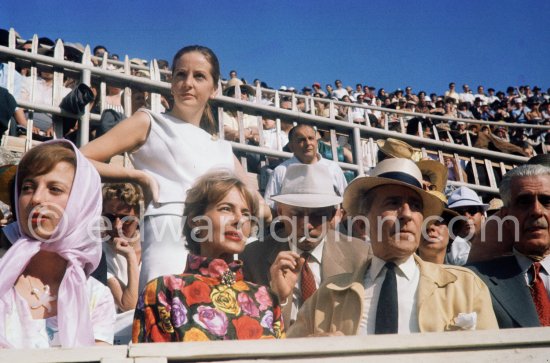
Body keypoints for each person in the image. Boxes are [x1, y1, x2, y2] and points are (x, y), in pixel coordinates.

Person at [82, 45, 269, 291]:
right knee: (164, 314)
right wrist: (136, 176)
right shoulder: (149, 121)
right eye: (181, 74)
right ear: (171, 83)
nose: (188, 83)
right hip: (167, 238)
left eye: (199, 76)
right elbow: (75, 158)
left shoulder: (223, 148)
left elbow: (261, 207)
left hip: (216, 250)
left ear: (214, 89)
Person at [288, 158, 498, 337]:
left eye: (416, 206)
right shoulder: (325, 298)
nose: (406, 214)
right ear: (362, 224)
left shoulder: (465, 288)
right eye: (393, 203)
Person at [133, 170, 284, 342]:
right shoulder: (165, 290)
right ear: (195, 220)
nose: (239, 220)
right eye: (226, 209)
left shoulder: (266, 298)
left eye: (246, 214)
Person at [0, 140, 116, 348]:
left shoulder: (96, 298)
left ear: (82, 204)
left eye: (54, 189)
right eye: (27, 188)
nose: (36, 198)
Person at [241, 163, 369, 326]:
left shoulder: (362, 257)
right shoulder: (252, 258)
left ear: (332, 215)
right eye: (297, 214)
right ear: (280, 212)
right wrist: (277, 298)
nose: (307, 225)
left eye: (317, 216)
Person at [468, 164, 550, 328]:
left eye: (546, 201)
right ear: (505, 216)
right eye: (524, 202)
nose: (536, 211)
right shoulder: (475, 281)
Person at [263, 124, 347, 211]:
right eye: (301, 140)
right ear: (291, 146)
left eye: (311, 138)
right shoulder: (281, 171)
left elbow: (345, 202)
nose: (308, 143)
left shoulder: (333, 168)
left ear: (316, 142)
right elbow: (270, 206)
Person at [101, 183, 142, 313]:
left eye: (126, 219)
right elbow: (128, 306)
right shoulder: (99, 251)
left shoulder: (151, 246)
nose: (117, 226)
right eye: (110, 218)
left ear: (138, 216)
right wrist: (130, 257)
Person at [446, 186, 489, 266]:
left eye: (472, 210)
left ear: (483, 216)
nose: (466, 216)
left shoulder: (495, 242)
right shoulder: (451, 247)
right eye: (459, 212)